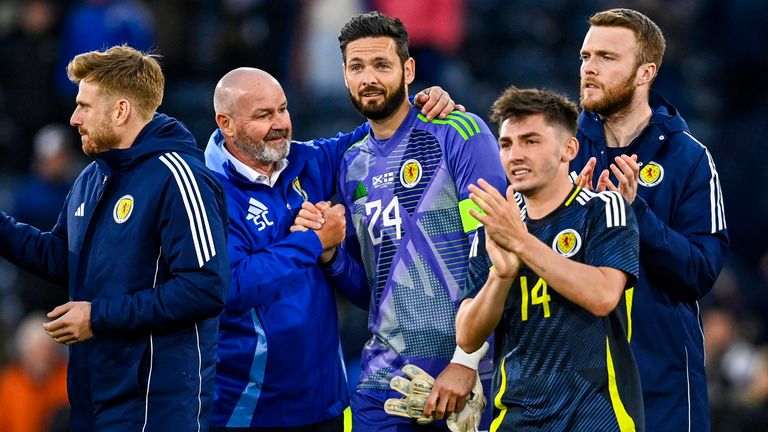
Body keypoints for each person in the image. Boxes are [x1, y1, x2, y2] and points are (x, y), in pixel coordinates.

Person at [203, 67, 460, 431]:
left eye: (283, 109)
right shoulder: (207, 193)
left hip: (327, 404)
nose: (280, 124)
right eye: (263, 115)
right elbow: (231, 286)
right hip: (252, 409)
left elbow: (378, 130)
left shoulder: (306, 161)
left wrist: (421, 101)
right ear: (226, 124)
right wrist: (313, 242)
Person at [0, 45, 230, 431]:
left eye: (85, 106)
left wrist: (98, 317)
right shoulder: (92, 177)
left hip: (156, 404)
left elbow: (206, 286)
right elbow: (62, 258)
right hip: (94, 396)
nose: (74, 118)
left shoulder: (179, 177)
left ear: (121, 110)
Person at [334, 11, 507, 430]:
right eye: (357, 67)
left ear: (408, 69)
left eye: (381, 65)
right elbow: (370, 286)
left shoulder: (457, 133)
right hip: (382, 383)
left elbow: (496, 243)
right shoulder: (350, 166)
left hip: (463, 376)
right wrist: (329, 259)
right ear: (344, 75)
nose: (368, 77)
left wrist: (466, 359)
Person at [572, 8, 728, 431]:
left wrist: (633, 213)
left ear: (645, 72)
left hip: (660, 385)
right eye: (586, 56)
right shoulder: (560, 148)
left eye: (606, 58)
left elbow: (700, 271)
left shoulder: (688, 158)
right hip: (569, 384)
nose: (589, 68)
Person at [454, 86, 643, 430]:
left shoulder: (603, 208)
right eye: (507, 144)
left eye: (531, 141)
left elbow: (602, 296)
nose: (515, 155)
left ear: (568, 148)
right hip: (515, 418)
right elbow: (467, 335)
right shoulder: (497, 224)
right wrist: (500, 276)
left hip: (596, 417)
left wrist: (522, 244)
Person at [0, 313, 69, 432]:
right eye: (35, 351)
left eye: (45, 350)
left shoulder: (66, 379)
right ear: (23, 353)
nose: (41, 357)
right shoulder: (10, 383)